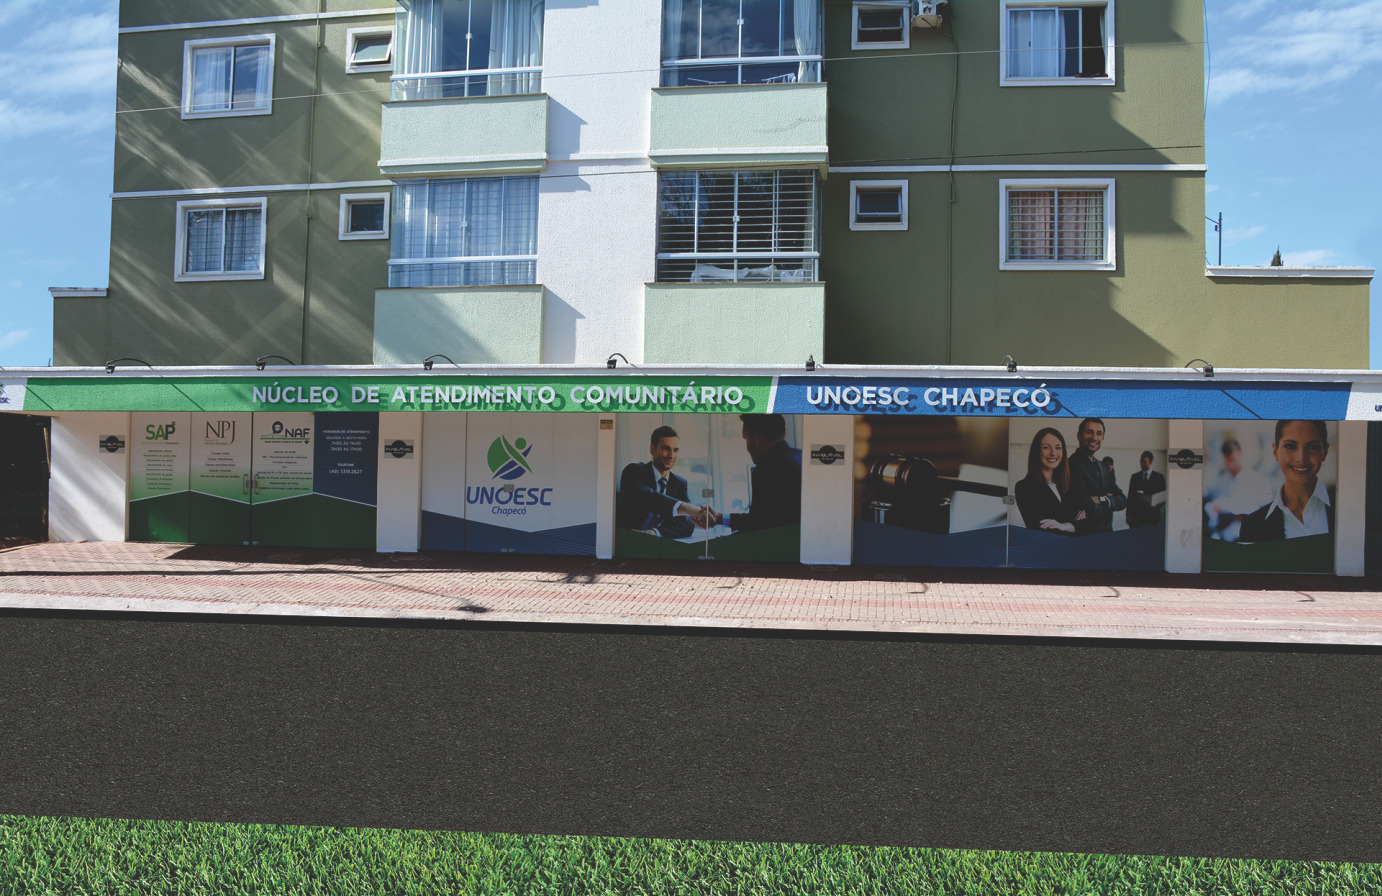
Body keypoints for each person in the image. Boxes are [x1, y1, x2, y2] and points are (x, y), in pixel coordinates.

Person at [1237, 420, 1333, 543]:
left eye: (1312, 447)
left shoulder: (1347, 510)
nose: (1301, 459)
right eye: (1290, 446)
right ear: (1275, 452)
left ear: (1325, 452)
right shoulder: (1253, 525)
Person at [706, 414, 802, 532]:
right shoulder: (802, 457)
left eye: (746, 439)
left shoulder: (767, 469)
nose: (747, 447)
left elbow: (756, 524)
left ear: (756, 440)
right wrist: (720, 518)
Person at [616, 425, 705, 537]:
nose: (671, 455)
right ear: (652, 449)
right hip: (630, 539)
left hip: (659, 542)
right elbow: (647, 498)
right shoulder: (633, 471)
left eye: (675, 450)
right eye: (666, 449)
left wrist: (655, 532)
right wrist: (687, 508)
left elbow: (687, 525)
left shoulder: (680, 483)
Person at [1014, 427, 1088, 534]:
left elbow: (1090, 522)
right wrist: (1075, 524)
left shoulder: (1069, 483)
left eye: (1058, 448)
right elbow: (1041, 529)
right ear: (1037, 451)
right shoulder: (1024, 487)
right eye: (1046, 447)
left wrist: (1064, 526)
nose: (1053, 453)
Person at [1203, 438, 1273, 542]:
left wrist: (1230, 511)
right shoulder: (1222, 481)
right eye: (1228, 461)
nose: (1231, 465)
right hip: (1223, 537)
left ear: (1240, 454)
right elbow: (1209, 498)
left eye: (1234, 460)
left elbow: (1263, 511)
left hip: (1249, 536)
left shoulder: (1258, 481)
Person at [1069, 418, 1126, 533]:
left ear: (1103, 438)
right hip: (1086, 535)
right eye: (1089, 432)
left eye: (1099, 434)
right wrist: (1110, 502)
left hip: (1107, 533)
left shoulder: (1104, 467)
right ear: (1079, 436)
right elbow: (1085, 505)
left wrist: (1101, 499)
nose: (1094, 437)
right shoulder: (1070, 465)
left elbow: (1123, 500)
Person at [1125, 450, 1167, 528]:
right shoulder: (1135, 477)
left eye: (1144, 462)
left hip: (1153, 517)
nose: (1141, 464)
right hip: (1137, 517)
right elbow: (1130, 497)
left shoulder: (1159, 477)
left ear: (1150, 462)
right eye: (1141, 461)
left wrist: (1157, 505)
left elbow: (1164, 497)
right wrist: (1128, 515)